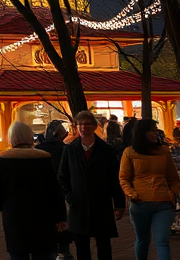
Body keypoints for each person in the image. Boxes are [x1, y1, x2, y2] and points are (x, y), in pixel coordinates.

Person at [0, 121, 66, 260]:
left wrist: (5, 207)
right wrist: (60, 217)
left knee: (18, 252)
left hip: (14, 216)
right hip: (42, 214)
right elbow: (54, 189)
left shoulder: (3, 160)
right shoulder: (43, 157)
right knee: (43, 252)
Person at [57, 111, 125, 260]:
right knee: (81, 247)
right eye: (80, 124)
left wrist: (119, 203)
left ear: (94, 126)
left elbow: (114, 178)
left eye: (87, 124)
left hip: (101, 205)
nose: (83, 127)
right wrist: (70, 196)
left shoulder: (106, 151)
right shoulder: (70, 150)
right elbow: (62, 177)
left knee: (104, 247)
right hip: (78, 205)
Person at [119, 119, 180, 260]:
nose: (155, 133)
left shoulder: (163, 151)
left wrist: (173, 192)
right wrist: (132, 194)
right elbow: (124, 178)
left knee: (162, 241)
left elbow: (174, 178)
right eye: (152, 130)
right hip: (140, 203)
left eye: (155, 130)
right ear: (142, 133)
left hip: (163, 203)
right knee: (143, 240)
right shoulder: (129, 152)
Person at [36, 119, 74, 260]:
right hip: (63, 191)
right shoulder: (65, 150)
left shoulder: (38, 150)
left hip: (43, 194)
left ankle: (50, 251)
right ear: (59, 134)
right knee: (63, 222)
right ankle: (64, 251)